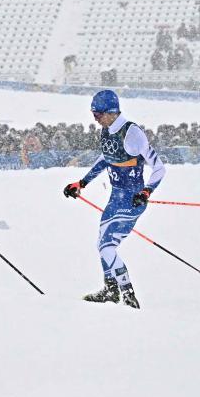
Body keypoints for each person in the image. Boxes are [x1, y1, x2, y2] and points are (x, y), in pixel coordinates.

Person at [63, 89, 166, 309]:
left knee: (107, 247)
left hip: (132, 200)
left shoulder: (132, 133)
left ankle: (128, 294)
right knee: (102, 243)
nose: (95, 119)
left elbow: (159, 168)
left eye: (98, 115)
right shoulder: (107, 131)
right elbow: (105, 159)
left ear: (111, 112)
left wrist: (146, 192)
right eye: (93, 115)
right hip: (115, 197)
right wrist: (82, 183)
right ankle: (111, 290)